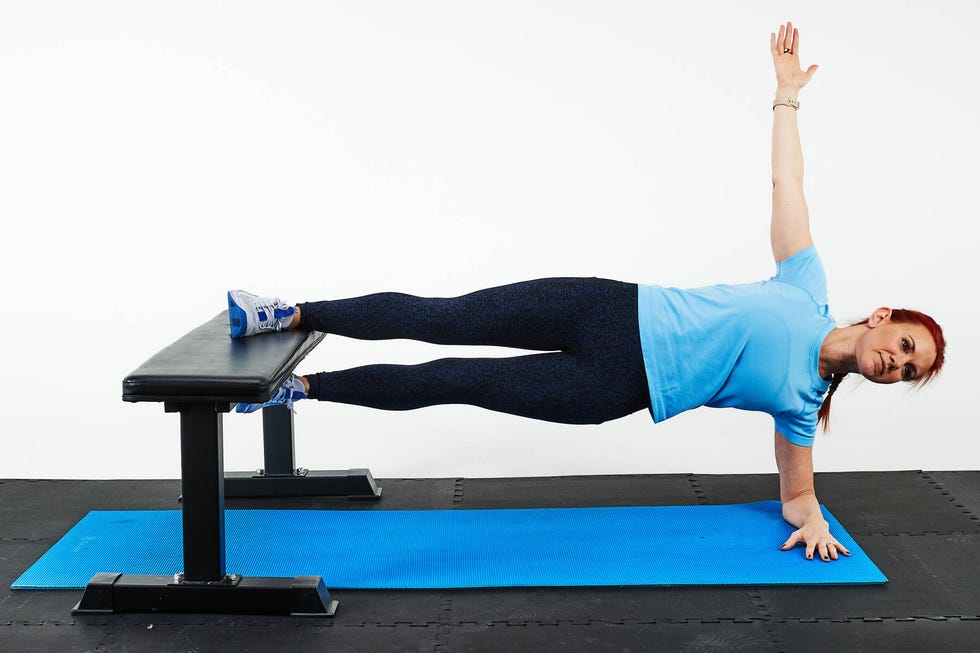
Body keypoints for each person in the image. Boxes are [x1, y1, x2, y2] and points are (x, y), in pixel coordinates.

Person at [224, 21, 945, 564]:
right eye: (906, 345)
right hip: (608, 305)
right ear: (884, 317)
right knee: (442, 316)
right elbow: (788, 185)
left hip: (610, 383)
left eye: (909, 370)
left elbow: (796, 492)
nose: (898, 363)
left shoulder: (802, 404)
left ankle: (302, 389)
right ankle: (289, 312)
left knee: (450, 378)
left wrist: (812, 517)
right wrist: (786, 100)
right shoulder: (805, 285)